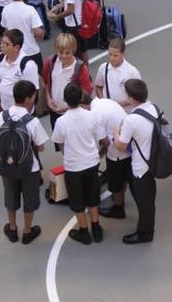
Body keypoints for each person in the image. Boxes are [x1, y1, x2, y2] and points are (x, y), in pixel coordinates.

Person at [0, 80, 48, 244]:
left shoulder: (2, 116)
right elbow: (40, 147)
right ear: (29, 99)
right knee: (29, 200)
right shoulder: (32, 121)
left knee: (10, 198)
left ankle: (12, 228)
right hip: (29, 168)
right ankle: (27, 231)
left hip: (7, 166)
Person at [51, 83, 106, 245]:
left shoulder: (62, 122)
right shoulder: (92, 116)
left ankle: (83, 230)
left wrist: (67, 153)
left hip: (74, 166)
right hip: (91, 162)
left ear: (65, 100)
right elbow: (102, 139)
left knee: (77, 199)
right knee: (93, 195)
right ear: (81, 98)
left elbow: (59, 142)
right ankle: (96, 226)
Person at [115, 79, 157, 244]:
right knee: (148, 199)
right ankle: (144, 228)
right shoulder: (152, 108)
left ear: (131, 98)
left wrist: (116, 131)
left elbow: (120, 146)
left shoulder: (131, 120)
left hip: (141, 166)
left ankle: (145, 233)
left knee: (144, 202)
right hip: (152, 160)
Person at [43, 33, 93, 135]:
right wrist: (48, 99)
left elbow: (86, 95)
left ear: (73, 51)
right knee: (60, 142)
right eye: (61, 52)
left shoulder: (80, 68)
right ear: (56, 49)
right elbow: (46, 83)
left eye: (67, 52)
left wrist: (66, 108)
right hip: (55, 112)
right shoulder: (49, 62)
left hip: (74, 114)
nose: (64, 56)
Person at [90, 97, 129, 219]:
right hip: (128, 144)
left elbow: (105, 142)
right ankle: (120, 198)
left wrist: (98, 155)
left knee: (115, 182)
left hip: (117, 152)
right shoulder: (104, 102)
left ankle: (118, 207)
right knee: (125, 178)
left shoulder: (94, 114)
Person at [1, 0, 45, 71]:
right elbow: (38, 32)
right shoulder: (30, 9)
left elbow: (6, 30)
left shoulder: (6, 9)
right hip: (31, 50)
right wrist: (41, 35)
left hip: (15, 51)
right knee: (38, 78)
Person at [0, 29, 39, 114]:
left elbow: (33, 94)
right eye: (2, 42)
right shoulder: (0, 58)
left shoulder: (28, 65)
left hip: (22, 115)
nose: (1, 46)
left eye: (5, 44)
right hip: (5, 111)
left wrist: (24, 116)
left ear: (16, 48)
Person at [94, 37, 141, 108]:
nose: (111, 58)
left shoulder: (132, 72)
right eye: (110, 54)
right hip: (108, 111)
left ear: (123, 53)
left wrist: (116, 105)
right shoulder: (103, 68)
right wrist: (103, 101)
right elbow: (98, 87)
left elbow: (137, 96)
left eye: (115, 55)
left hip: (126, 113)